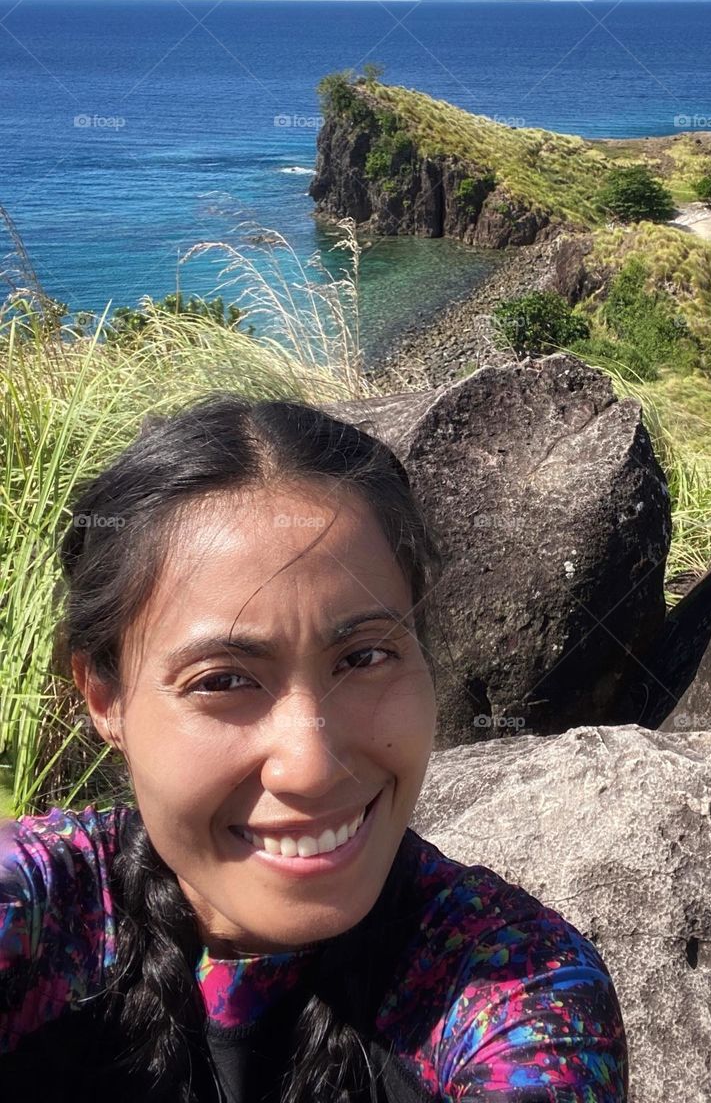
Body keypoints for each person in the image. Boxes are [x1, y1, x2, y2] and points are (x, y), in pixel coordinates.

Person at [0, 395, 629, 1103]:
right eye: (225, 680)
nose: (311, 766)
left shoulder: (513, 986)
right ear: (104, 700)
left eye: (364, 658)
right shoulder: (40, 911)